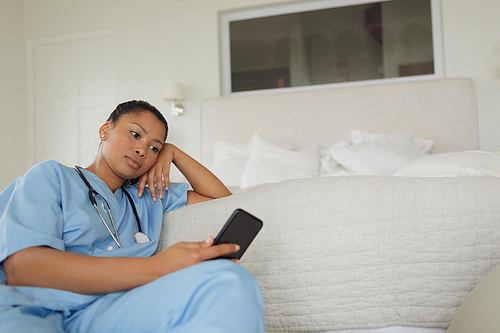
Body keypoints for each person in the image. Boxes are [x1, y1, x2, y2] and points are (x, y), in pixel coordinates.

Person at [0, 101, 265, 332]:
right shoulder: (51, 177)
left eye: (153, 148)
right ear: (105, 130)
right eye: (135, 134)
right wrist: (162, 266)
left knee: (230, 279)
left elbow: (223, 202)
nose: (142, 150)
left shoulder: (147, 196)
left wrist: (174, 153)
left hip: (111, 311)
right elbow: (23, 269)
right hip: (37, 308)